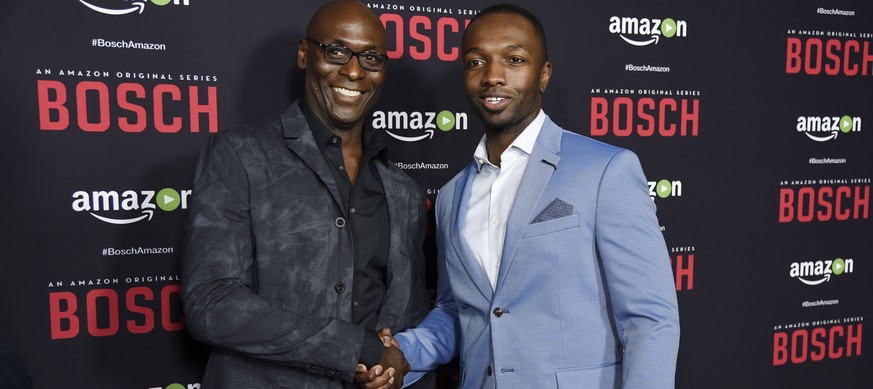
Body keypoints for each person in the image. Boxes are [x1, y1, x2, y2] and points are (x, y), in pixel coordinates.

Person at [362, 4, 680, 388]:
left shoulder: (606, 170)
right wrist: (402, 355)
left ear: (543, 74)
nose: (493, 76)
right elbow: (458, 312)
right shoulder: (450, 197)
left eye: (514, 59)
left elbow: (649, 318)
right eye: (476, 62)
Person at [181, 1, 432, 388]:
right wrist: (354, 347)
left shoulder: (405, 191)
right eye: (336, 51)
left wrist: (391, 367)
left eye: (371, 58)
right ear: (304, 54)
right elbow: (211, 302)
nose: (353, 70)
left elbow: (406, 317)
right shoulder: (240, 155)